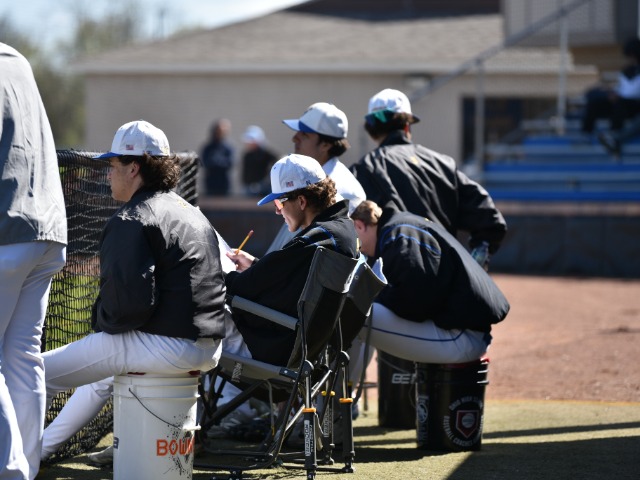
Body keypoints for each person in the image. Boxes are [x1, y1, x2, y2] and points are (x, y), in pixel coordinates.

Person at [39, 120, 227, 463]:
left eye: (113, 165)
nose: (108, 174)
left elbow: (126, 309)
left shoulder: (132, 218)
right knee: (101, 376)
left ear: (134, 168)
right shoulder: (192, 213)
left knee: (35, 373)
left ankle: (16, 457)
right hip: (209, 348)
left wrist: (101, 323)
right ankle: (41, 450)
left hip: (168, 345)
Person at [207, 153, 359, 438]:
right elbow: (282, 275)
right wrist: (255, 265)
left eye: (279, 203)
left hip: (277, 355)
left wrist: (215, 271)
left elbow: (243, 287)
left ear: (301, 201)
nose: (277, 211)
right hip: (300, 350)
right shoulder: (339, 231)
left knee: (193, 317)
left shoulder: (316, 240)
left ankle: (189, 426)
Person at [0, 42, 68, 480]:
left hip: (6, 232)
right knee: (24, 357)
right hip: (49, 230)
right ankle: (25, 468)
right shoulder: (17, 60)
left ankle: (10, 471)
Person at [350, 88, 507, 269]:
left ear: (372, 129)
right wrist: (474, 268)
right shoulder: (444, 164)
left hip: (392, 279)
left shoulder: (364, 169)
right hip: (444, 276)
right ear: (407, 125)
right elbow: (491, 220)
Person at [350, 200, 510, 364]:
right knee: (354, 310)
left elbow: (414, 304)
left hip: (462, 336)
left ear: (359, 225)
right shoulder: (400, 228)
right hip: (464, 331)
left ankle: (343, 382)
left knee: (349, 314)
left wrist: (377, 296)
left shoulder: (398, 235)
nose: (354, 247)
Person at [266, 102, 366, 253]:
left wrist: (260, 266)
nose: (295, 138)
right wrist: (255, 264)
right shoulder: (307, 180)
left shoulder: (343, 189)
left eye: (304, 134)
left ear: (325, 145)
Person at [582, 37, 640, 140]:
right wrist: (612, 93)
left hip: (634, 104)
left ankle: (615, 134)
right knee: (594, 102)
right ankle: (586, 133)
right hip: (622, 100)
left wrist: (620, 96)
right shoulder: (627, 70)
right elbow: (622, 88)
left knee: (620, 104)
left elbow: (633, 91)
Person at [240, 125, 278, 196]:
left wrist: (267, 182)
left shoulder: (267, 154)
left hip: (264, 188)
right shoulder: (247, 155)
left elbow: (277, 164)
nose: (249, 144)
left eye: (252, 141)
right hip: (249, 188)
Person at [200, 118, 234, 196]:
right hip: (211, 183)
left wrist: (216, 162)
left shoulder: (228, 148)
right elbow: (205, 162)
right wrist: (219, 162)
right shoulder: (208, 147)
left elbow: (230, 163)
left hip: (224, 183)